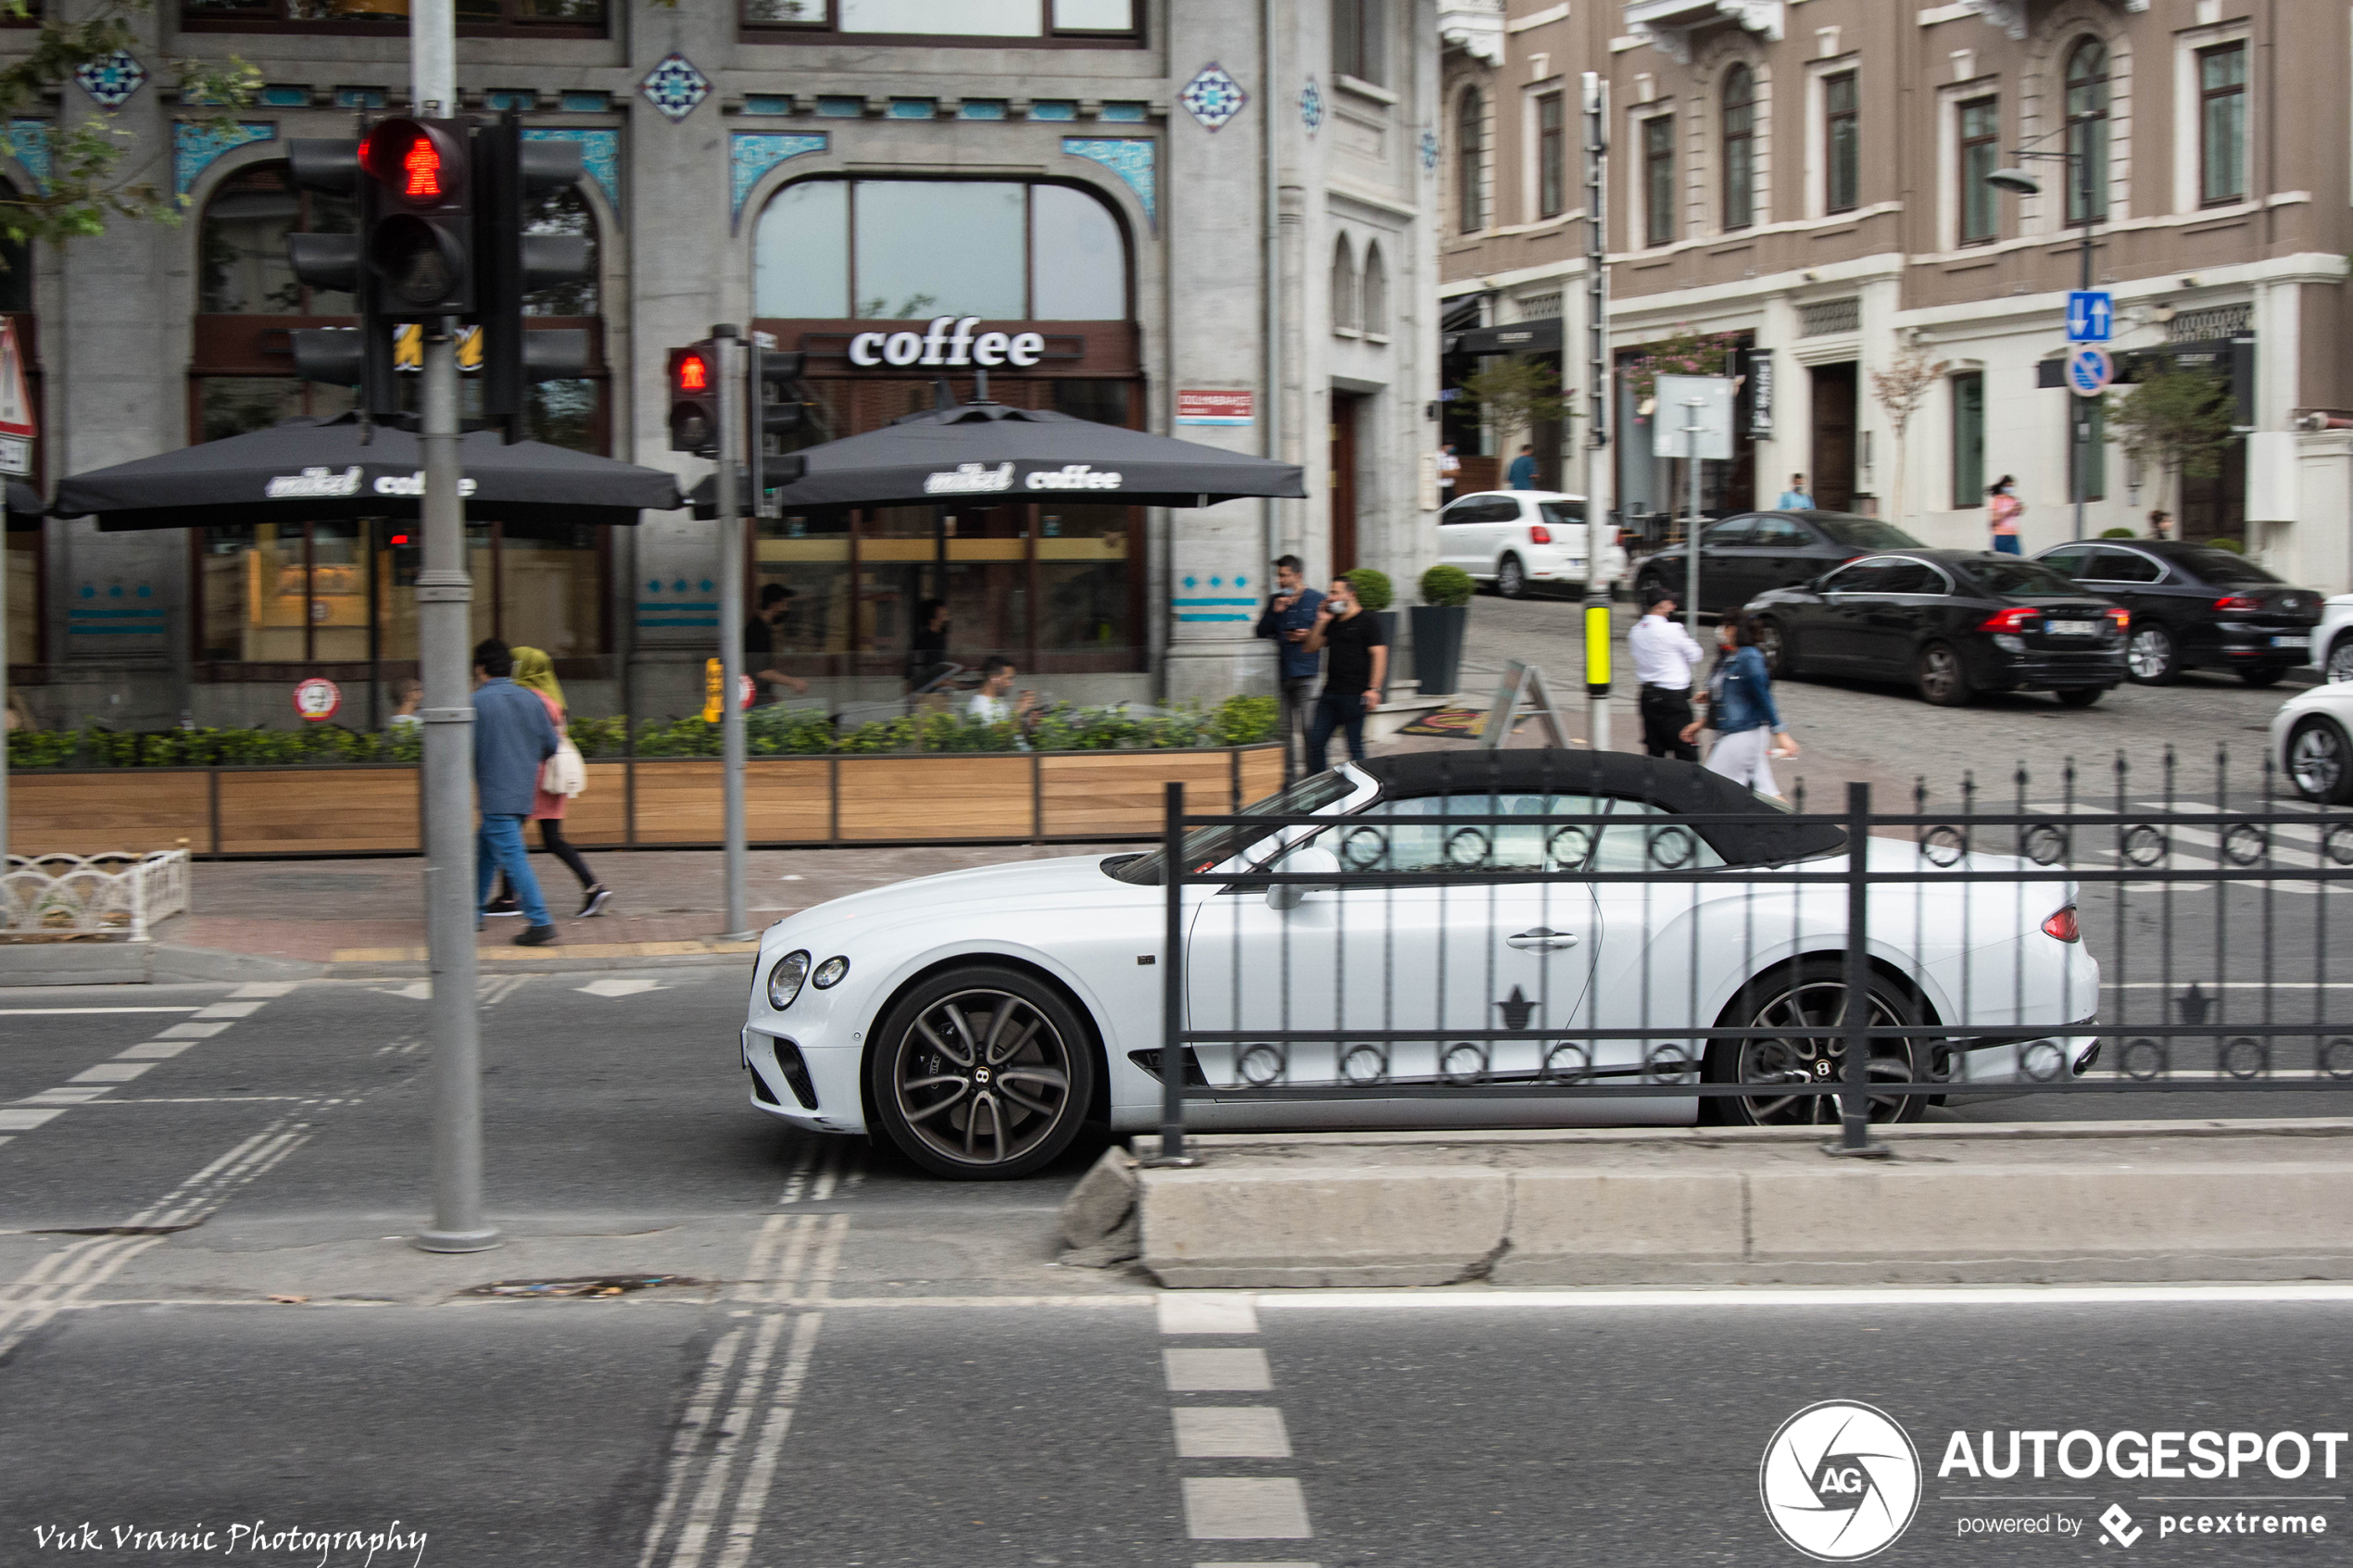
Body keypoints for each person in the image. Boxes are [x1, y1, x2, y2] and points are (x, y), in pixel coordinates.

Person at [485, 646, 611, 921]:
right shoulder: (553, 697)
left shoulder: (530, 698)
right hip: (554, 778)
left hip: (534, 776)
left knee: (508, 834)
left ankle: (510, 898)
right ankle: (592, 887)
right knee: (551, 838)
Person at [470, 639, 560, 947]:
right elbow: (551, 745)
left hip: (494, 794)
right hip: (523, 792)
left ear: (480, 668)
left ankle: (540, 920)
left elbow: (463, 753)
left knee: (513, 858)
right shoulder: (531, 699)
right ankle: (472, 911)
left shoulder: (476, 703)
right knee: (485, 849)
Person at [1681, 615, 1798, 798]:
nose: (1721, 631)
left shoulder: (1749, 657)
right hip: (1738, 732)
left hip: (1744, 732)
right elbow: (1734, 691)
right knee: (1765, 793)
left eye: (1725, 626)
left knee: (1710, 786)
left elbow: (1763, 696)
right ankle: (1796, 824)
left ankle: (1796, 824)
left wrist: (1781, 734)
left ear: (1733, 629)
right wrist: (1711, 696)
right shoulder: (1731, 657)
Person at [1302, 574, 1387, 771]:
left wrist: (1374, 689)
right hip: (1330, 693)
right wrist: (1322, 621)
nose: (1330, 597)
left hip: (1356, 695)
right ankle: (1318, 789)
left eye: (1335, 593)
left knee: (1354, 748)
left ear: (1351, 594)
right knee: (1315, 743)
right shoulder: (1333, 621)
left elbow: (1379, 654)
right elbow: (1310, 647)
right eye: (1330, 592)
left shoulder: (1368, 620)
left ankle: (1364, 791)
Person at [1253, 555, 1326, 781]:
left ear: (1298, 576)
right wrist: (1274, 612)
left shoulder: (1316, 599)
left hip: (1308, 674)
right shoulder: (1275, 600)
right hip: (1284, 674)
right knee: (1284, 732)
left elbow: (1329, 635)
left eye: (1284, 575)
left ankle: (1313, 778)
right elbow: (1260, 632)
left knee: (1308, 729)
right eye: (1279, 575)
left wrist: (1309, 634)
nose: (1280, 580)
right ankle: (1288, 779)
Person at [1629, 586, 1705, 761]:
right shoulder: (1672, 630)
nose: (1674, 606)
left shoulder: (1636, 631)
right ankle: (1690, 787)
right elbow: (1696, 654)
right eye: (1670, 602)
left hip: (1648, 697)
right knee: (1686, 750)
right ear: (1660, 605)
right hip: (1673, 699)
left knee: (1655, 752)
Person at [744, 583, 811, 705]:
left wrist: (769, 695)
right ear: (774, 604)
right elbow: (762, 672)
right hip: (753, 701)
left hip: (757, 698)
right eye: (784, 604)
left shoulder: (760, 628)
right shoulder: (757, 631)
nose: (787, 609)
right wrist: (794, 682)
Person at [966, 653, 1039, 743]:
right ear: (994, 678)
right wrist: (1018, 712)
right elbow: (998, 739)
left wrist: (1028, 722)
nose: (1011, 683)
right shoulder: (980, 706)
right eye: (1008, 678)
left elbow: (1014, 732)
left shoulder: (996, 702)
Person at [907, 598, 951, 690]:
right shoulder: (923, 640)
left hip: (942, 690)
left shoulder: (944, 638)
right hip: (928, 692)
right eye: (943, 616)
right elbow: (912, 670)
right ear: (932, 620)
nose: (947, 619)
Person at [1987, 475, 2024, 554]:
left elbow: (2017, 514)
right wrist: (2010, 510)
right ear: (2003, 487)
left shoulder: (2014, 500)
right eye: (2008, 486)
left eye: (2012, 486)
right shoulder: (1997, 500)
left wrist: (2020, 509)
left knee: (2017, 559)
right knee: (2003, 560)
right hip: (2001, 536)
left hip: (2013, 535)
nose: (2010, 488)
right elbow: (1995, 520)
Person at [1436, 442, 1461, 508]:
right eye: (1451, 446)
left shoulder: (1453, 458)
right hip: (1438, 488)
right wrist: (1449, 473)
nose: (1453, 448)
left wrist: (1442, 472)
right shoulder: (1436, 456)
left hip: (1449, 488)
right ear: (1445, 446)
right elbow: (1434, 473)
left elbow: (1456, 473)